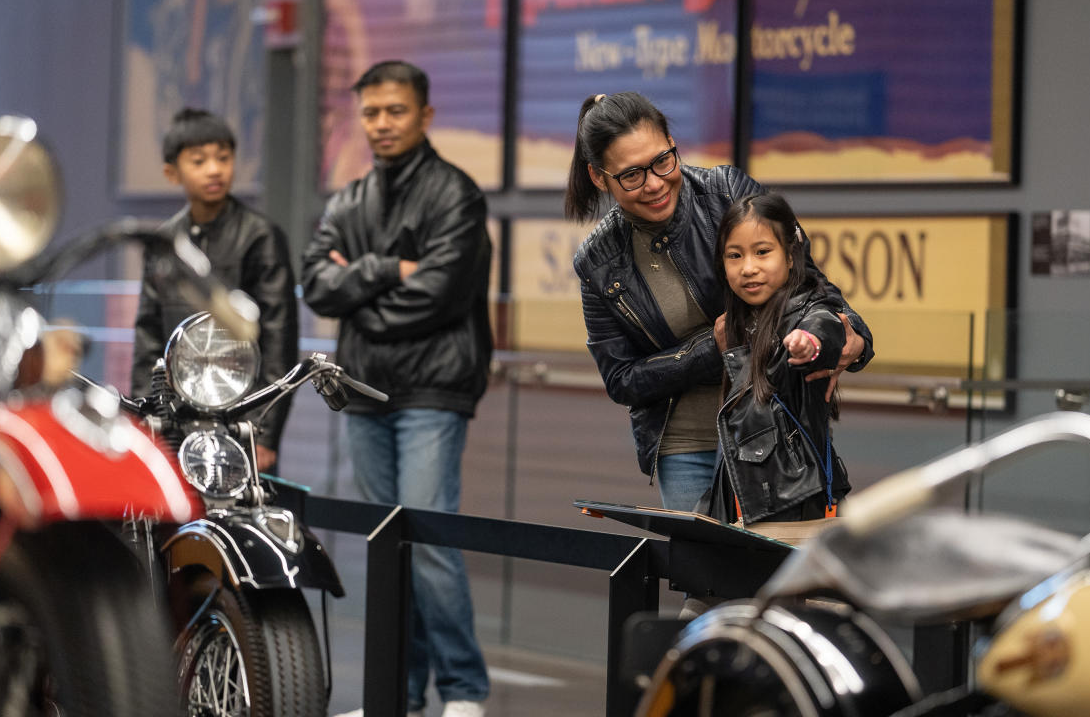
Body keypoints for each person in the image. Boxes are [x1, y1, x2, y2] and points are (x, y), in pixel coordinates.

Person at [566, 91, 873, 512]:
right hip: (686, 448)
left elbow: (810, 284)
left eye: (662, 161)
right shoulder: (597, 261)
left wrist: (854, 336)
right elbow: (621, 379)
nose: (655, 183)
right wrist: (711, 348)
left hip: (777, 426)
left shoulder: (725, 191)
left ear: (673, 141)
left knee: (785, 572)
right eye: (632, 175)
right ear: (599, 177)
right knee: (707, 574)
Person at [301, 60, 490, 717]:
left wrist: (356, 291)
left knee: (431, 542)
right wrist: (385, 269)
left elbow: (437, 299)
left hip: (434, 391)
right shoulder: (349, 199)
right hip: (362, 390)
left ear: (425, 115)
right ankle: (400, 695)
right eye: (371, 112)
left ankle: (464, 690)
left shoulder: (456, 195)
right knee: (389, 547)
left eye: (396, 111)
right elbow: (314, 283)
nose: (381, 123)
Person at [131, 107, 298, 472]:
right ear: (171, 172)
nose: (214, 169)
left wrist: (263, 432)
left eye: (223, 158)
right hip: (176, 417)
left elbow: (277, 339)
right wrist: (149, 419)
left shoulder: (260, 236)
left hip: (240, 415)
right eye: (199, 160)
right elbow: (148, 337)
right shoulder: (165, 242)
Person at [705, 192, 851, 524]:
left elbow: (825, 325)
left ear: (790, 255)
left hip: (795, 504)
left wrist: (809, 343)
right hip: (749, 500)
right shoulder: (735, 322)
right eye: (734, 255)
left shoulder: (807, 306)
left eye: (762, 252)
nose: (748, 268)